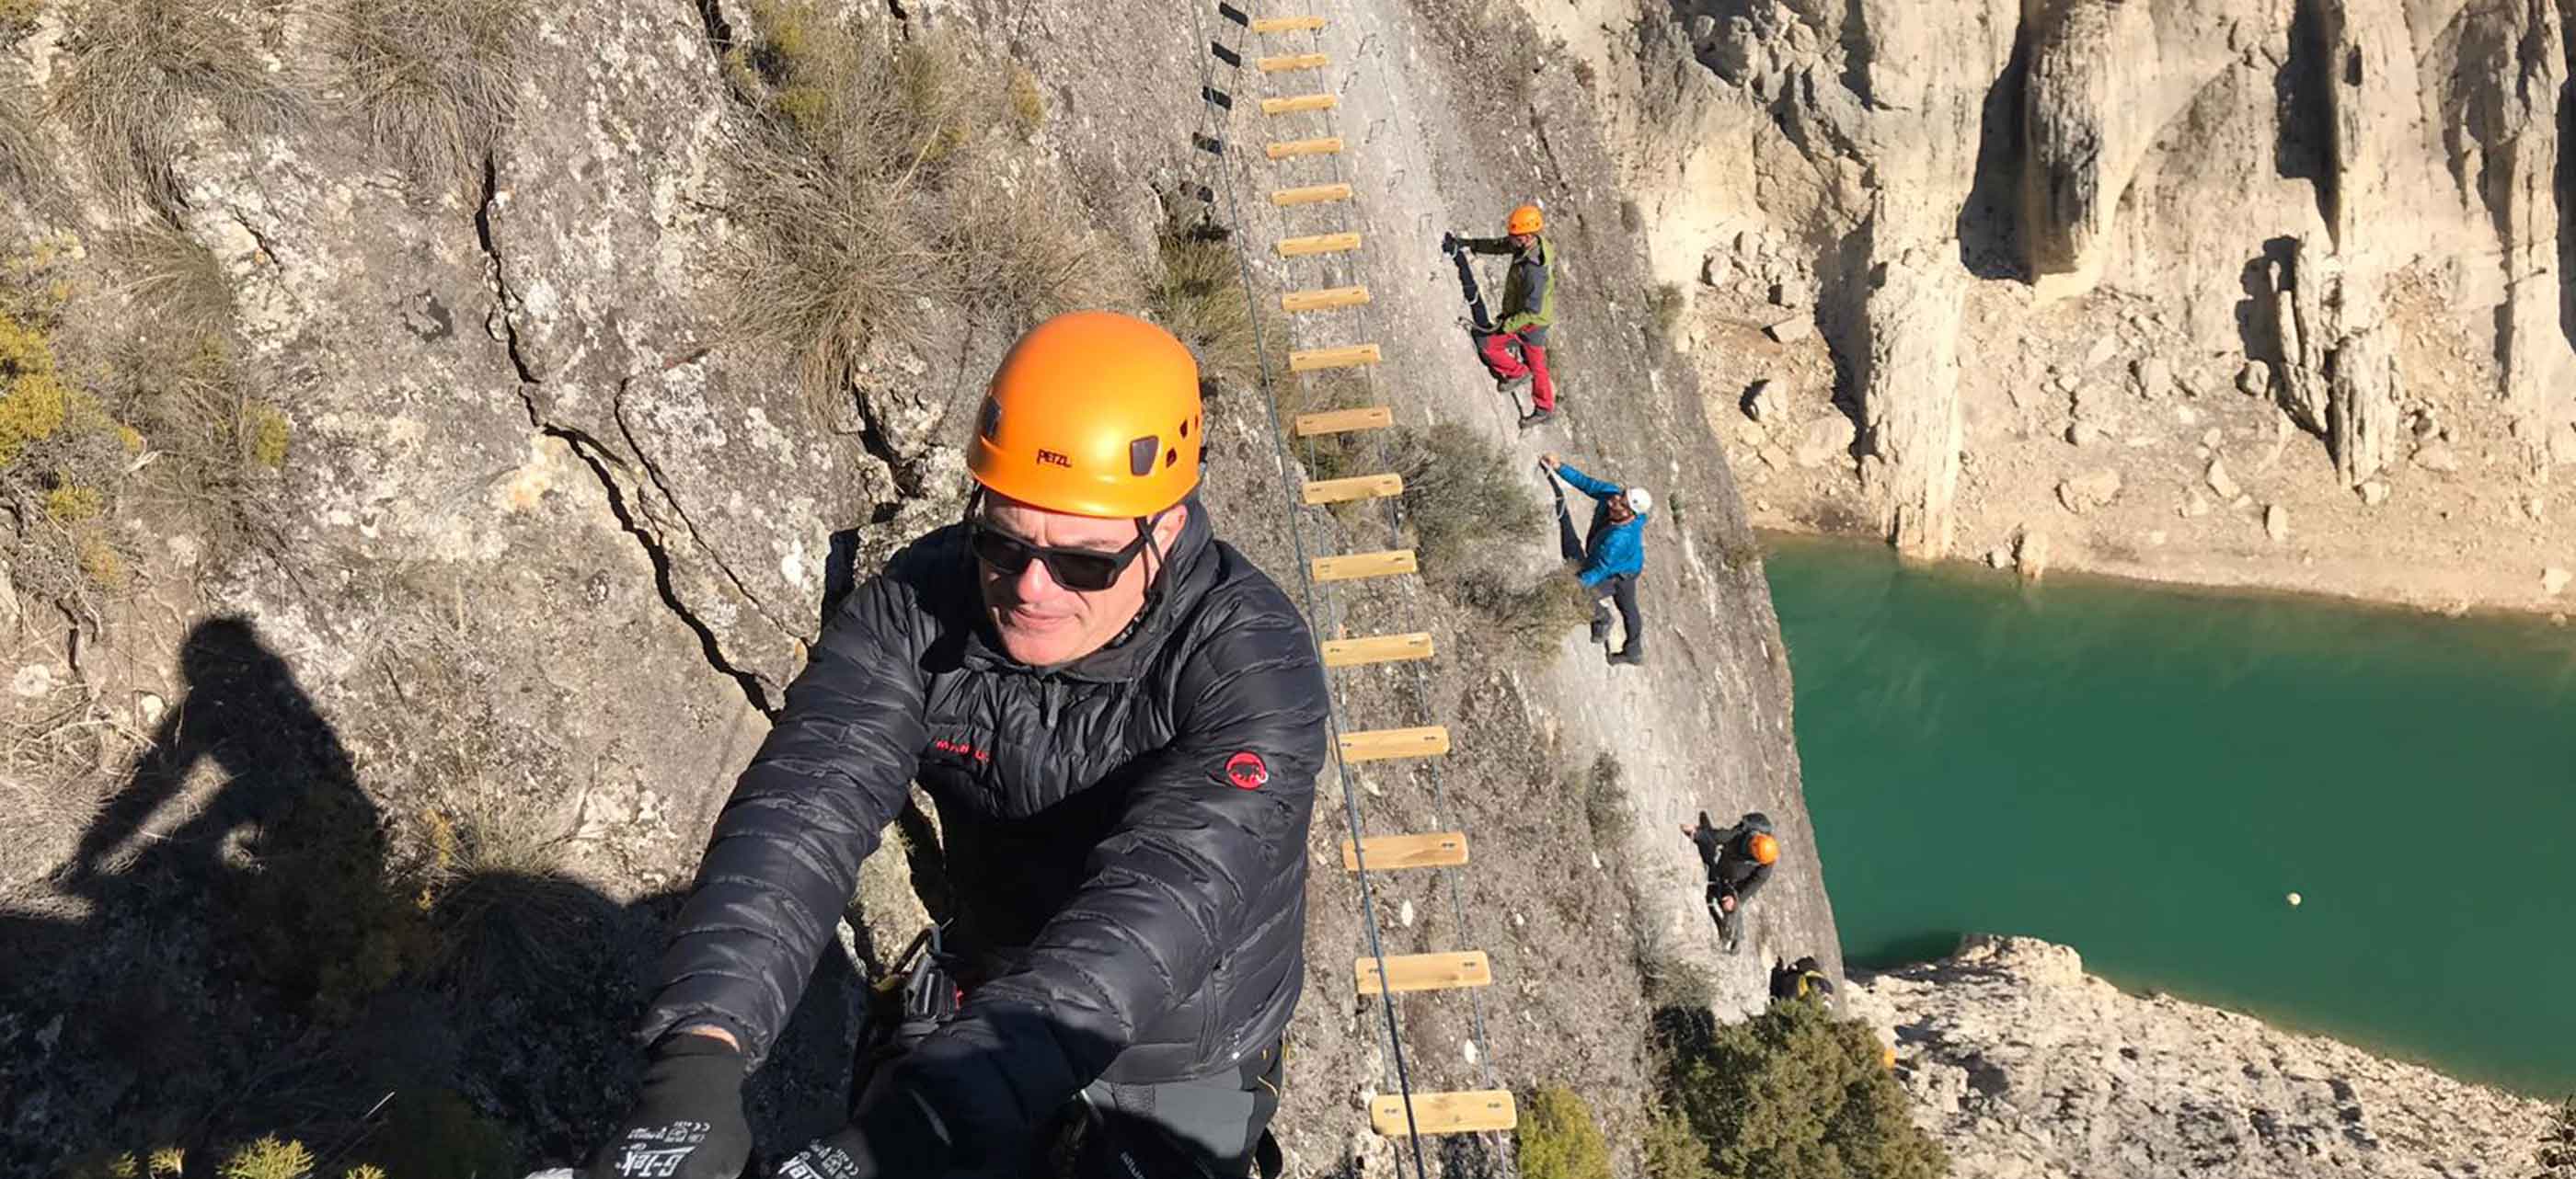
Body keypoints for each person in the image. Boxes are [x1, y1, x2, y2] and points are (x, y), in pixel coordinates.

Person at [584, 311, 1332, 1179]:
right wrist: (695, 1068)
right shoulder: (921, 607)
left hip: (1180, 1060)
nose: (1032, 589)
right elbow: (806, 806)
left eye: (1084, 562)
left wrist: (928, 1118)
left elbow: (1163, 904)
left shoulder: (1253, 668)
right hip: (984, 990)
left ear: (1164, 529)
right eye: (1001, 543)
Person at [1447, 202, 1559, 429]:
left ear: (1527, 236)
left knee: (1487, 343)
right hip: (1535, 320)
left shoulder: (1534, 269)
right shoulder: (1531, 246)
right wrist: (1471, 244)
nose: (1511, 238)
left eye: (1515, 235)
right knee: (1537, 362)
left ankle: (1519, 375)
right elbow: (1500, 245)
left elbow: (1532, 310)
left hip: (1529, 321)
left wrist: (1506, 326)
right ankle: (1544, 405)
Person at [1537, 452, 1650, 666]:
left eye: (1621, 501)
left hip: (1620, 572)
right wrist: (1560, 467)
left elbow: (1599, 570)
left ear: (1630, 514)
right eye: (1621, 494)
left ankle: (1603, 619)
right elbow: (1587, 484)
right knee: (1628, 607)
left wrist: (1575, 584)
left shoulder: (1619, 540)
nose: (1615, 499)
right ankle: (1634, 651)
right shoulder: (1611, 495)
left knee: (1588, 595)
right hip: (1620, 564)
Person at [1685, 810, 1777, 953]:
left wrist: (1737, 899)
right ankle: (1735, 937)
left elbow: (1757, 881)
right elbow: (1723, 836)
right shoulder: (1744, 834)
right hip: (1724, 865)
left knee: (1731, 906)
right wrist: (1699, 834)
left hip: (1734, 882)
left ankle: (1732, 938)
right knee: (1709, 851)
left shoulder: (1766, 859)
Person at [1768, 955, 1834, 1004]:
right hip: (1791, 998)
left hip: (1791, 988)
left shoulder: (1823, 984)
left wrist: (1796, 967)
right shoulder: (1827, 986)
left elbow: (1811, 972)